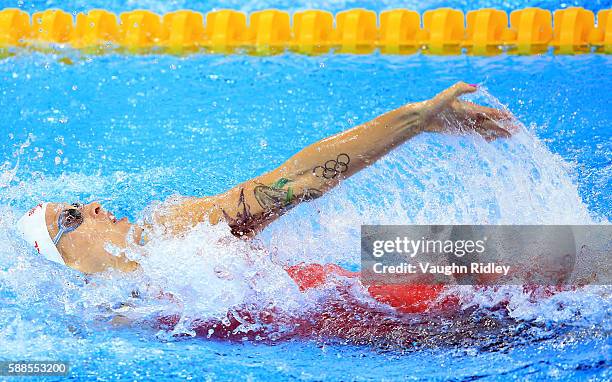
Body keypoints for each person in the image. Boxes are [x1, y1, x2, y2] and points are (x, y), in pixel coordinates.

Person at [16, 82, 514, 312]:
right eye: (75, 216)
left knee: (586, 268)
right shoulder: (117, 315)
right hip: (374, 311)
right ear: (67, 261)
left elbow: (296, 181)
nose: (96, 205)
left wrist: (414, 121)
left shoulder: (169, 233)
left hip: (402, 292)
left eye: (82, 202)